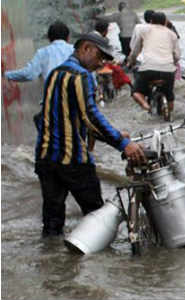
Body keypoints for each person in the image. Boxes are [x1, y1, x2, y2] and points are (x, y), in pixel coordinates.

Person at [34, 32, 146, 237]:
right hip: (73, 160)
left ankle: (55, 263)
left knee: (52, 223)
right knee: (97, 218)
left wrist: (111, 134)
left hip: (45, 158)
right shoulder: (81, 75)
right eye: (99, 56)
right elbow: (90, 116)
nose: (100, 63)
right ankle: (97, 267)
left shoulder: (55, 73)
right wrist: (123, 143)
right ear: (85, 48)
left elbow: (66, 116)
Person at [128, 12, 181, 116]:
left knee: (136, 92)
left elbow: (135, 50)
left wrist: (132, 61)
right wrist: (172, 63)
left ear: (151, 21)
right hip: (168, 70)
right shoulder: (172, 34)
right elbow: (177, 56)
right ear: (165, 22)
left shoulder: (144, 30)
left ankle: (146, 106)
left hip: (148, 69)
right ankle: (169, 113)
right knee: (169, 95)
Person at [3, 21, 73, 82]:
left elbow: (29, 74)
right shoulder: (75, 50)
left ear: (49, 38)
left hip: (53, 95)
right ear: (68, 38)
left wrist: (6, 74)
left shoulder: (43, 53)